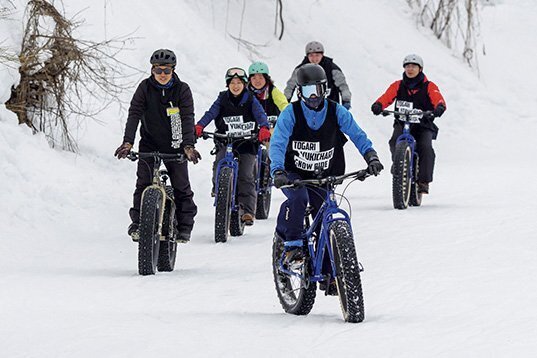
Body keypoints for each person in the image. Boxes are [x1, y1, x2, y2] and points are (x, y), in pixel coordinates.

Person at [270, 63, 383, 293]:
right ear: (300, 92)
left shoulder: (336, 111)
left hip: (325, 173)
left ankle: (329, 272)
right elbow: (278, 143)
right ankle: (291, 246)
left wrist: (371, 156)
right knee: (299, 199)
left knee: (325, 216)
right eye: (308, 91)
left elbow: (357, 134)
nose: (314, 97)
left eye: (318, 91)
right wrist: (278, 170)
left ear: (325, 90)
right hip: (295, 174)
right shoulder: (290, 113)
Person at [114, 49, 201, 243]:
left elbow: (187, 118)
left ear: (173, 70)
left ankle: (184, 226)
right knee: (143, 183)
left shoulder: (182, 89)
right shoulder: (144, 88)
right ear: (152, 70)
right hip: (150, 143)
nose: (162, 74)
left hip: (176, 144)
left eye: (167, 71)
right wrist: (128, 142)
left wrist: (188, 146)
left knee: (181, 186)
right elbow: (134, 114)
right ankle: (138, 224)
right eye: (158, 70)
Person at [194, 67, 271, 226]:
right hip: (226, 140)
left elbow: (260, 115)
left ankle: (248, 211)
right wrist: (200, 125)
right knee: (219, 164)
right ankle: (219, 189)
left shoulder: (250, 99)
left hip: (247, 141)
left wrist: (263, 127)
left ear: (244, 84)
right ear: (227, 84)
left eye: (239, 83)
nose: (235, 86)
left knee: (246, 174)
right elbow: (211, 113)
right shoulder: (222, 98)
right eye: (232, 83)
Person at [370, 54, 446, 194]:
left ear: (420, 69)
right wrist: (378, 105)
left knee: (425, 147)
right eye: (407, 66)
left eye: (413, 66)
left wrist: (439, 107)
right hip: (402, 122)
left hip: (423, 124)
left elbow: (438, 98)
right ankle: (399, 164)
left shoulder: (429, 86)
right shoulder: (398, 85)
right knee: (394, 141)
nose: (410, 69)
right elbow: (387, 96)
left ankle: (423, 181)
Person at [284, 41, 352, 109]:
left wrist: (346, 100)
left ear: (322, 55)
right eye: (311, 56)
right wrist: (285, 101)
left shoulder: (332, 68)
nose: (314, 59)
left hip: (330, 107)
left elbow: (342, 85)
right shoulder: (300, 70)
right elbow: (290, 86)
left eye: (317, 55)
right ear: (307, 56)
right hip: (306, 108)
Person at [247, 61, 288, 125]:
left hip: (273, 126)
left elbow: (284, 105)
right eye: (254, 78)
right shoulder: (246, 93)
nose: (257, 81)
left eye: (260, 78)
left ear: (266, 78)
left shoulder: (273, 91)